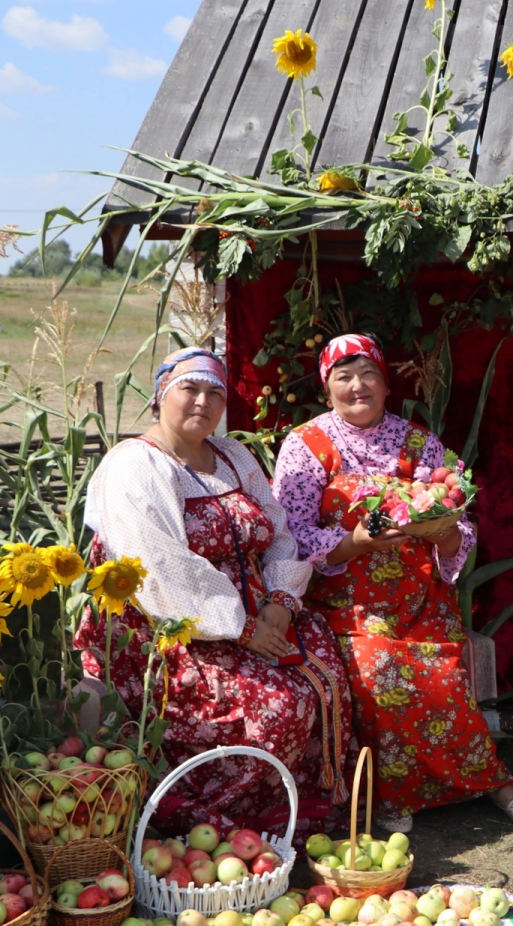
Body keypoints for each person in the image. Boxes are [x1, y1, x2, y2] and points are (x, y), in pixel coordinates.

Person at [78, 347, 352, 835]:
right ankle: (221, 828)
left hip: (256, 610)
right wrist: (242, 628)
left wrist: (281, 605)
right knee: (275, 707)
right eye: (190, 388)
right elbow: (159, 568)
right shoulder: (136, 465)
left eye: (215, 392)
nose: (203, 401)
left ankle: (294, 814)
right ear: (161, 395)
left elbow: (279, 531)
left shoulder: (234, 456)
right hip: (172, 628)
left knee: (323, 669)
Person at [274, 333, 513, 829]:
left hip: (420, 599)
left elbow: (459, 518)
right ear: (327, 387)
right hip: (345, 606)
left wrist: (442, 535)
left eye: (368, 373)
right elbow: (291, 535)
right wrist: (355, 542)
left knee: (443, 676)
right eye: (344, 376)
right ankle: (397, 793)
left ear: (385, 381)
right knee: (378, 670)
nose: (358, 386)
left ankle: (493, 780)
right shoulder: (305, 445)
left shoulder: (419, 442)